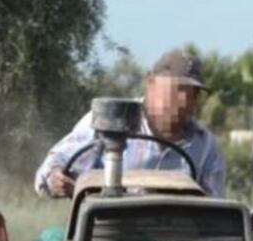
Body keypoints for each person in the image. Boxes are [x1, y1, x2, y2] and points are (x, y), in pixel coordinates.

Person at [34, 48, 226, 198]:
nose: (185, 101)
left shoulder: (207, 146)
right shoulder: (108, 120)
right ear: (151, 83)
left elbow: (213, 213)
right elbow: (52, 168)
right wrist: (56, 176)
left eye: (193, 93)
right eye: (178, 89)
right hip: (105, 239)